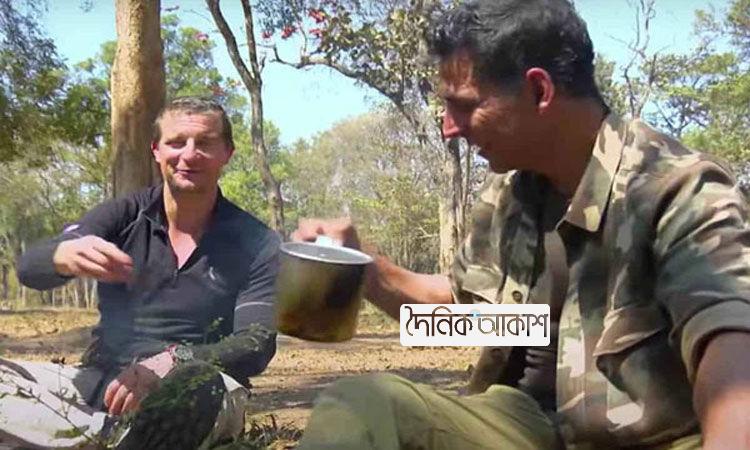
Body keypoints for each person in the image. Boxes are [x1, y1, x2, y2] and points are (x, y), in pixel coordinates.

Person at [290, 1, 750, 449]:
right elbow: (464, 317)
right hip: (524, 422)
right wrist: (366, 270)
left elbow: (731, 347)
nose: (449, 127)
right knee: (362, 405)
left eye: (465, 105)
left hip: (654, 438)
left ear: (539, 90)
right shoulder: (511, 193)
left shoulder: (677, 190)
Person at [1, 96, 280, 449]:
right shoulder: (123, 215)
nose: (189, 154)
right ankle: (113, 436)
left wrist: (174, 361)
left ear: (227, 153)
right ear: (156, 150)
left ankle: (78, 435)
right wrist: (61, 254)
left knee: (196, 387)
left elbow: (255, 344)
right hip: (102, 382)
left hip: (201, 387)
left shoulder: (258, 242)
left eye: (205, 143)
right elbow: (30, 268)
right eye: (176, 142)